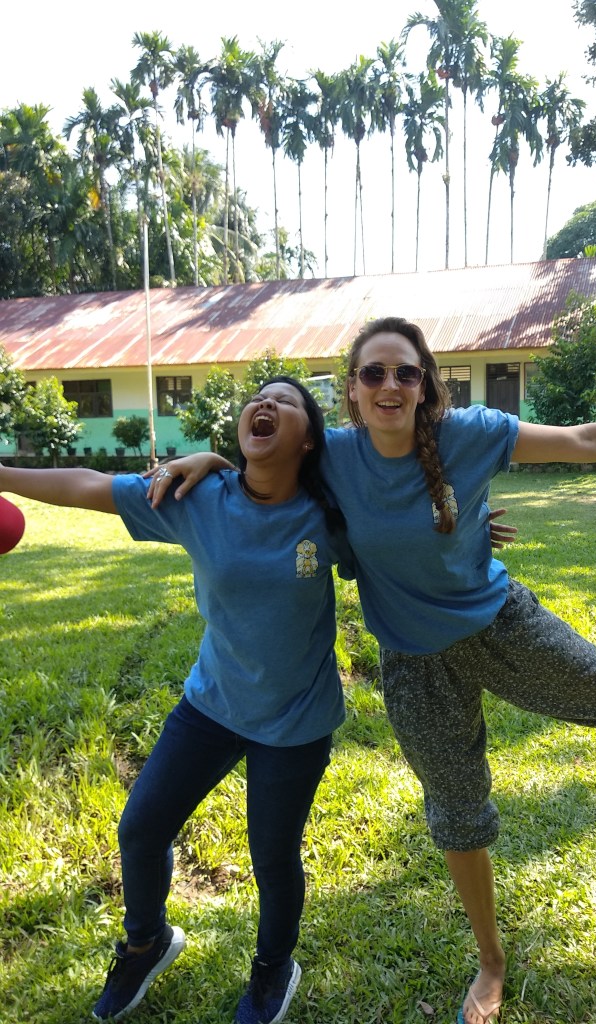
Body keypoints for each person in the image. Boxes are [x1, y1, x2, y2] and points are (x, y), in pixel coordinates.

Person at [149, 317, 596, 1024]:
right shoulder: (335, 457)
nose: (389, 384)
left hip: (501, 626)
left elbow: (583, 441)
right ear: (352, 389)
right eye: (373, 372)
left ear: (425, 385)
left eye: (404, 372)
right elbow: (270, 460)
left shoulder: (467, 433)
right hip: (414, 665)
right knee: (458, 812)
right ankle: (492, 961)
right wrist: (211, 459)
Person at [0, 377, 354, 1024]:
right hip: (212, 704)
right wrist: (2, 474)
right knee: (141, 828)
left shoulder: (331, 513)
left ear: (309, 440)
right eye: (258, 397)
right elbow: (88, 485)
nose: (265, 404)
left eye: (286, 401)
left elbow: (402, 529)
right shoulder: (199, 498)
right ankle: (147, 943)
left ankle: (273, 967)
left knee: (273, 857)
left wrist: (462, 524)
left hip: (296, 720)